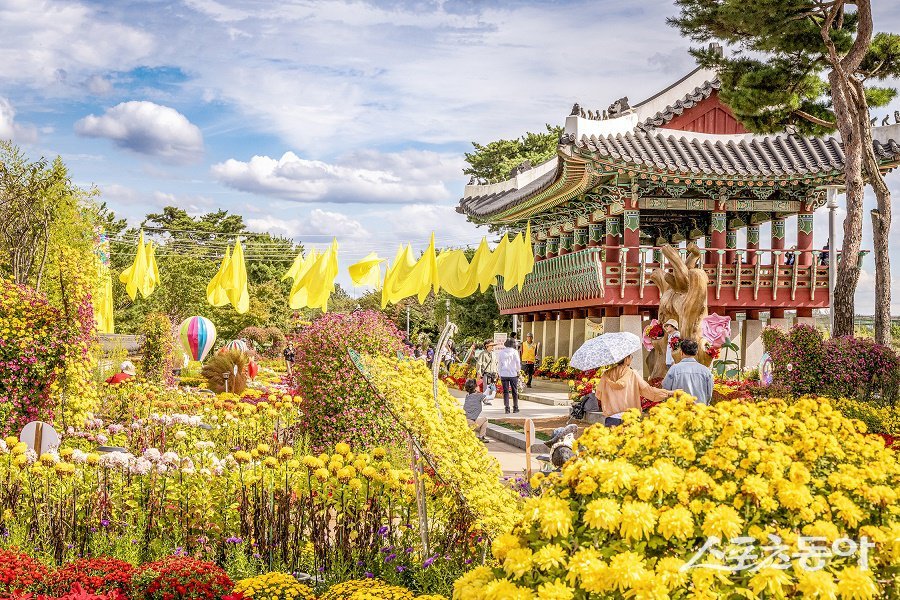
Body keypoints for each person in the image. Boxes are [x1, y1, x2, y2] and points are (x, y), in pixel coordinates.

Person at [594, 354, 672, 426]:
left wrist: (613, 399)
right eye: (630, 356)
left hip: (612, 418)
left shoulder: (606, 375)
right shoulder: (633, 373)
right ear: (626, 359)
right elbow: (649, 392)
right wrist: (668, 393)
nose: (631, 359)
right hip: (631, 417)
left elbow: (598, 395)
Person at [662, 339, 713, 404]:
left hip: (678, 410)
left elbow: (665, 390)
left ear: (681, 352)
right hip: (700, 410)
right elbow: (709, 394)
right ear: (696, 352)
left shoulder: (674, 369)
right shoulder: (706, 371)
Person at [497, 339, 522, 414]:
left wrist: (500, 373)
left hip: (504, 374)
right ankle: (515, 407)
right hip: (513, 374)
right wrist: (518, 370)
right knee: (514, 391)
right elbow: (518, 362)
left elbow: (499, 364)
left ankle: (507, 408)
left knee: (506, 392)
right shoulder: (515, 352)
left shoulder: (501, 352)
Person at [463, 379, 490, 443]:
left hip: (464, 421)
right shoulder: (479, 396)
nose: (479, 387)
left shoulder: (467, 396)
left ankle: (470, 436)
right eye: (477, 386)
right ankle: (481, 437)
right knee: (485, 419)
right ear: (475, 388)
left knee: (476, 420)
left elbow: (481, 395)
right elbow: (488, 398)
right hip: (471, 424)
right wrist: (493, 391)